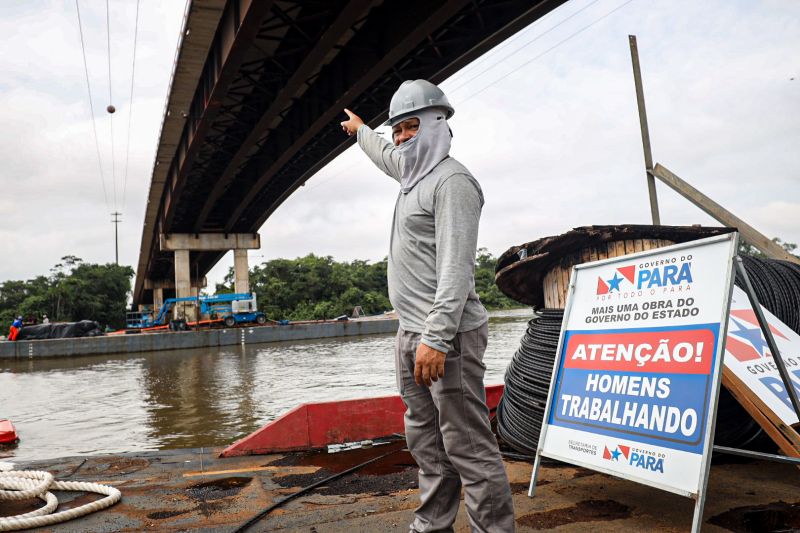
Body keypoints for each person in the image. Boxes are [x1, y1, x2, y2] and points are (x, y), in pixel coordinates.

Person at [341, 80, 514, 532]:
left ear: (437, 125)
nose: (400, 138)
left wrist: (435, 339)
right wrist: (362, 130)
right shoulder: (410, 173)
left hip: (447, 336)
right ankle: (433, 525)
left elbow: (457, 271)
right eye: (397, 129)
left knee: (468, 445)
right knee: (426, 441)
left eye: (410, 127)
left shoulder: (452, 183)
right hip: (410, 333)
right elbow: (385, 154)